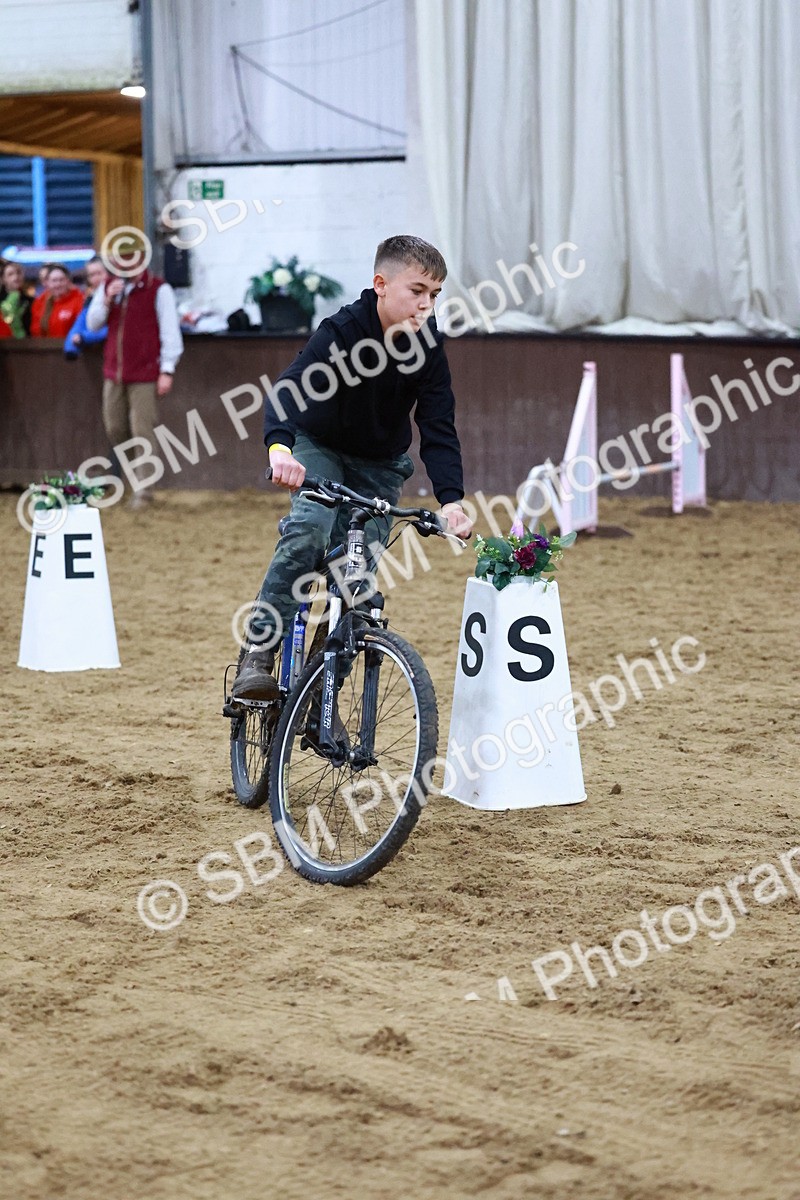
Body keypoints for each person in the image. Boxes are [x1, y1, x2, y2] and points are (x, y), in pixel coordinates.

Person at [232, 233, 474, 701]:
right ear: (381, 284)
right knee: (309, 529)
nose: (427, 305)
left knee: (357, 583)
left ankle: (320, 698)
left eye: (435, 295)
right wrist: (279, 450)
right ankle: (258, 652)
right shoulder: (342, 331)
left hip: (380, 464)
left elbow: (438, 426)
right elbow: (290, 390)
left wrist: (452, 501)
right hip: (318, 446)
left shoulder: (428, 345)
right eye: (417, 291)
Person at [86, 256, 183, 509]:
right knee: (115, 427)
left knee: (143, 429)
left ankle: (144, 490)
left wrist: (167, 369)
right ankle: (137, 478)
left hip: (145, 372)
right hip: (114, 372)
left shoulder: (158, 289)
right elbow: (92, 323)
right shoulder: (107, 287)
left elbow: (170, 331)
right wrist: (107, 299)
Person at [64, 255, 108, 359]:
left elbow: (114, 328)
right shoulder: (90, 298)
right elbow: (79, 324)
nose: (96, 278)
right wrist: (71, 348)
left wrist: (84, 337)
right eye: (92, 275)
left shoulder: (118, 295)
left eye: (99, 273)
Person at [31, 264, 85, 338]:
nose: (58, 284)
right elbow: (36, 331)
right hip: (46, 347)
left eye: (61, 280)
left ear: (68, 281)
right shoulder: (40, 302)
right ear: (48, 283)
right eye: (54, 280)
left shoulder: (80, 300)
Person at [0, 260, 32, 338]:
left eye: (18, 273)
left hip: (28, 344)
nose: (16, 277)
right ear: (3, 279)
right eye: (10, 274)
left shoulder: (32, 301)